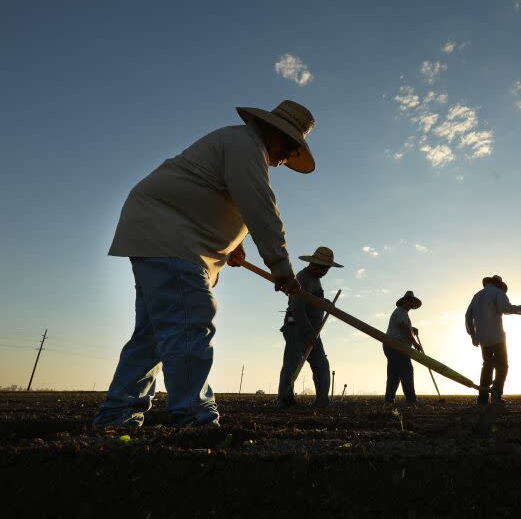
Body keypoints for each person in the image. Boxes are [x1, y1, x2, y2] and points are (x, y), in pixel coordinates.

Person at [93, 100, 317, 428]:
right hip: (171, 238)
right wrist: (281, 267)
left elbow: (221, 196)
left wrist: (233, 245)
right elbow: (260, 206)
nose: (287, 157)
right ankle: (195, 419)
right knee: (189, 322)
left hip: (159, 235)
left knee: (154, 336)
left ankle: (117, 415)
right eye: (288, 146)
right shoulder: (244, 145)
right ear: (271, 131)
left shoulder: (240, 147)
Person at [276, 247, 343, 408]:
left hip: (313, 331)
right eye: (323, 267)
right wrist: (308, 332)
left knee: (321, 364)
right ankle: (285, 400)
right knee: (292, 364)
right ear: (313, 264)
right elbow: (297, 307)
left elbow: (315, 299)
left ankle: (322, 401)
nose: (325, 271)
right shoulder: (301, 278)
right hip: (297, 328)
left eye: (327, 268)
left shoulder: (316, 280)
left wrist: (325, 303)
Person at [465, 276, 521, 405]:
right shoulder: (498, 293)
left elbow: (468, 316)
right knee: (502, 366)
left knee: (487, 366)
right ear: (499, 285)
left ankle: (482, 398)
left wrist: (473, 335)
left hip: (483, 339)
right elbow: (506, 308)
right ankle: (496, 395)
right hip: (497, 337)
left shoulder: (476, 296)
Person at [383, 291, 423, 404]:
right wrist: (415, 343)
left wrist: (412, 328)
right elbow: (403, 327)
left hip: (391, 346)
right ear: (405, 301)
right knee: (407, 371)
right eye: (409, 300)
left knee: (394, 374)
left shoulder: (402, 313)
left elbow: (404, 327)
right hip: (397, 346)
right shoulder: (401, 311)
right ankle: (411, 399)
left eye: (412, 301)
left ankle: (389, 399)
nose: (410, 303)